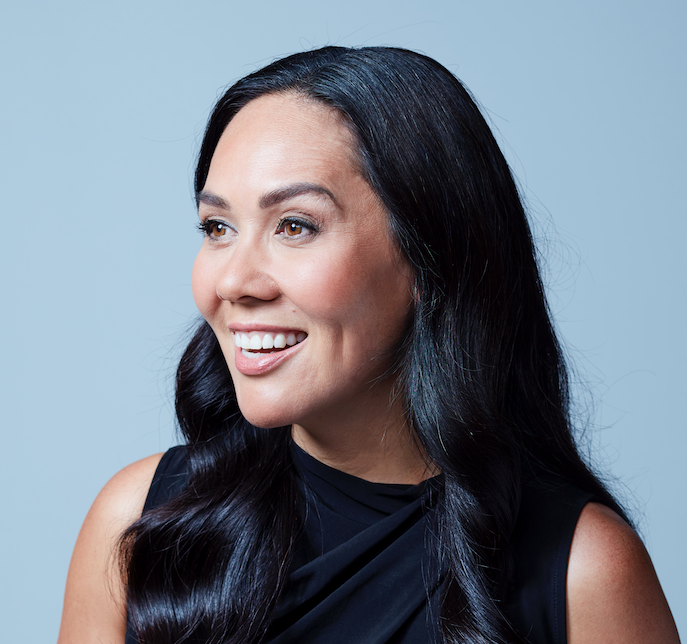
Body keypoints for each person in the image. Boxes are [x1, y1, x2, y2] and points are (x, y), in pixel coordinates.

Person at [58, 46, 680, 644]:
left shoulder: (582, 573)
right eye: (218, 227)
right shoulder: (139, 524)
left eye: (294, 226)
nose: (233, 282)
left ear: (428, 257)